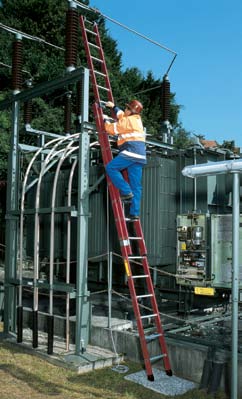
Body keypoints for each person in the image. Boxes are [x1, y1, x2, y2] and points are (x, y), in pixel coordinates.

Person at [103, 99, 146, 220]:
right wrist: (114, 107)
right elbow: (122, 115)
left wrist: (105, 120)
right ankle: (134, 213)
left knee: (111, 168)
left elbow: (111, 129)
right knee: (136, 186)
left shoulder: (127, 122)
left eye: (127, 108)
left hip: (131, 152)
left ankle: (126, 191)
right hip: (140, 156)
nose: (125, 109)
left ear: (130, 111)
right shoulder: (136, 119)